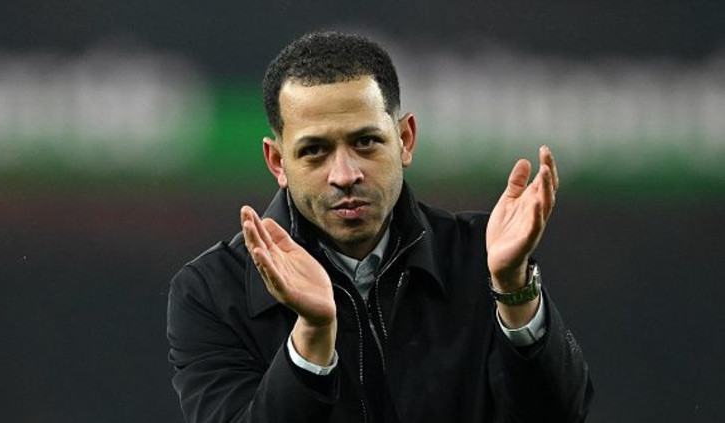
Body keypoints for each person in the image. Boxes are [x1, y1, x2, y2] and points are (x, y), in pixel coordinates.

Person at [167, 31, 593, 423]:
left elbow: (561, 415)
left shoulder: (483, 256)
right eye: (314, 150)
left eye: (365, 142)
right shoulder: (211, 291)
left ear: (405, 139)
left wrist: (514, 290)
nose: (345, 174)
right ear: (278, 162)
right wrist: (311, 337)